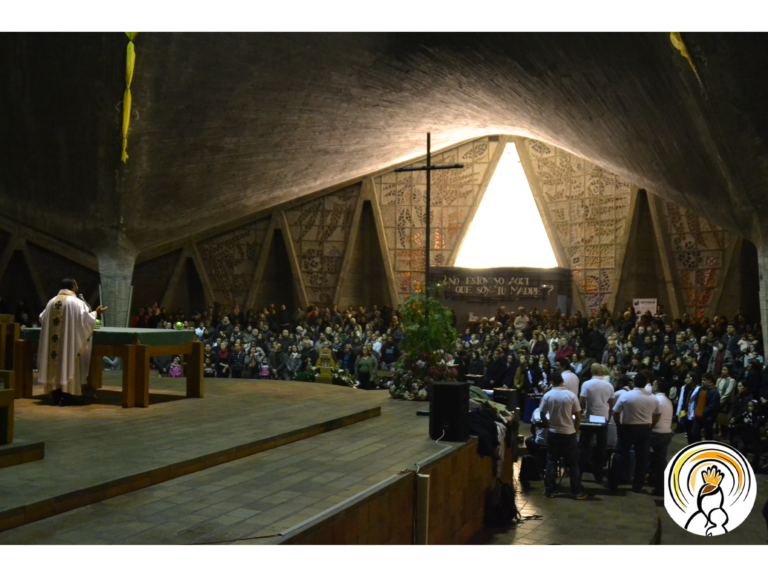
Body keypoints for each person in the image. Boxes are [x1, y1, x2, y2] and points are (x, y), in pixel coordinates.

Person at [38, 278, 107, 406]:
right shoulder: (76, 303)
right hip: (68, 344)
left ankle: (56, 394)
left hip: (55, 343)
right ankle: (67, 395)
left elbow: (42, 318)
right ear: (74, 287)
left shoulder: (51, 302)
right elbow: (87, 319)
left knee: (56, 365)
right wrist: (96, 313)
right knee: (68, 363)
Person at [609, 373, 661, 493]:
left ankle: (614, 482)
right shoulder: (653, 398)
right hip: (645, 428)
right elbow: (658, 414)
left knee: (620, 454)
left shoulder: (627, 396)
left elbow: (616, 412)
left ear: (634, 383)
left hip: (628, 427)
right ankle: (638, 484)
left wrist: (618, 425)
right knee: (642, 457)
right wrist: (651, 425)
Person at [539, 372, 586, 500]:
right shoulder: (571, 395)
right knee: (573, 463)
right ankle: (576, 492)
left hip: (554, 432)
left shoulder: (548, 395)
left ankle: (550, 490)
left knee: (551, 461)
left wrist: (548, 425)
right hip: (569, 433)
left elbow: (542, 413)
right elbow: (578, 416)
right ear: (562, 381)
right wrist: (575, 430)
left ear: (552, 382)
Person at [578, 364, 614, 484]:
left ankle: (579, 472)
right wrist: (609, 417)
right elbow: (612, 403)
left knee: (584, 445)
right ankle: (598, 475)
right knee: (601, 447)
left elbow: (581, 402)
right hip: (603, 417)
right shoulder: (609, 385)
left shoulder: (587, 384)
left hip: (590, 417)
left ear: (591, 372)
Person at [649, 379, 674, 496]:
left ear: (657, 387)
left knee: (646, 456)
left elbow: (654, 416)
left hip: (657, 433)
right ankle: (659, 486)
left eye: (654, 384)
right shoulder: (667, 400)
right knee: (660, 461)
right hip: (666, 433)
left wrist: (650, 426)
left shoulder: (656, 399)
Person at [689, 373, 720, 443]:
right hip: (698, 416)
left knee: (708, 436)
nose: (703, 381)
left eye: (705, 380)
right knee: (694, 433)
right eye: (702, 380)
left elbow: (712, 405)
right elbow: (696, 400)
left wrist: (703, 412)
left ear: (710, 380)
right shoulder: (701, 389)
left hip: (707, 417)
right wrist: (696, 409)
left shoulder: (714, 391)